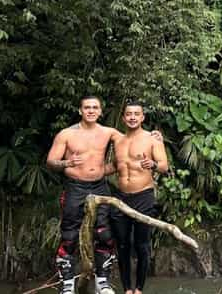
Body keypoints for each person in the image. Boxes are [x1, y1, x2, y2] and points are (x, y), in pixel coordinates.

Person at [46, 96, 122, 294]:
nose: (91, 111)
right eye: (87, 107)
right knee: (69, 235)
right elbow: (51, 161)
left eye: (95, 107)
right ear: (80, 110)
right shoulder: (66, 134)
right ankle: (68, 284)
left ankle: (102, 282)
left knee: (104, 233)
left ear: (100, 111)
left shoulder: (109, 132)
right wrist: (66, 163)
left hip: (100, 186)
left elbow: (133, 141)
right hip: (75, 187)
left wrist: (153, 137)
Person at [106, 101, 168, 294]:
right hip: (121, 197)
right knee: (123, 245)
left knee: (142, 245)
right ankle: (127, 289)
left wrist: (153, 164)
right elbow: (114, 167)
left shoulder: (152, 139)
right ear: (124, 117)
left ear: (142, 117)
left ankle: (139, 289)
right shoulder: (118, 140)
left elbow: (164, 166)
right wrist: (89, 171)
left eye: (136, 114)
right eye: (129, 114)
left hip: (143, 196)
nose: (132, 117)